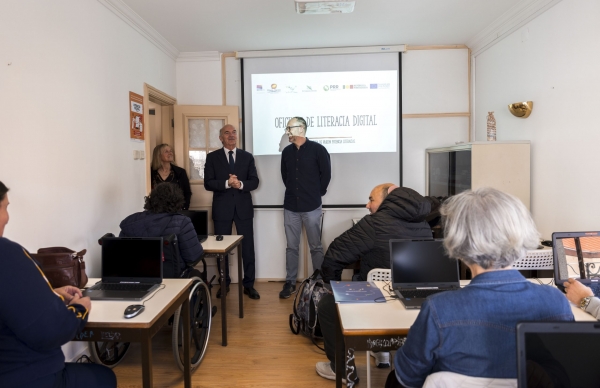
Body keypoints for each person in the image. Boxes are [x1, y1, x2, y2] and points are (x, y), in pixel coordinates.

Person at [386, 187, 574, 388]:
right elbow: (565, 376)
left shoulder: (439, 308)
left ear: (458, 242)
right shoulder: (556, 301)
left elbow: (407, 377)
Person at [0, 181, 117, 388]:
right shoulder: (6, 255)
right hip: (26, 377)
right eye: (5, 207)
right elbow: (51, 331)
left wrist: (50, 293)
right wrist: (80, 309)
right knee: (104, 378)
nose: (7, 218)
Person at [315, 185, 435, 381]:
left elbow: (334, 256)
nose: (367, 204)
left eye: (372, 199)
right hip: (413, 303)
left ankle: (343, 370)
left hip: (376, 301)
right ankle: (382, 350)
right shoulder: (423, 224)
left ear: (388, 201)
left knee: (328, 306)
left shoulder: (374, 223)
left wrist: (332, 287)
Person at [204, 124, 260, 299]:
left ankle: (249, 285)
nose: (231, 135)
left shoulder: (247, 157)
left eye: (234, 132)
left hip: (243, 209)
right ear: (221, 138)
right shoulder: (212, 158)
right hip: (222, 210)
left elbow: (254, 182)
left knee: (248, 249)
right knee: (222, 249)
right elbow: (208, 183)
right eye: (227, 133)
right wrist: (227, 183)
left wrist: (240, 184)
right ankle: (224, 283)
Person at [280, 117, 331, 299]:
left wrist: (316, 194)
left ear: (301, 129)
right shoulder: (286, 152)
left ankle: (320, 280)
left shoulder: (318, 150)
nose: (287, 131)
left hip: (312, 206)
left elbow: (326, 175)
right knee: (291, 247)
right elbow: (285, 177)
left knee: (316, 246)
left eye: (290, 128)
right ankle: (290, 282)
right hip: (291, 205)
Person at [119, 182, 203, 274]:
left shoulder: (131, 222)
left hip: (135, 277)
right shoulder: (182, 222)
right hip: (173, 279)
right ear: (177, 202)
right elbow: (193, 257)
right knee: (196, 274)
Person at [150, 143, 192, 210]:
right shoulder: (150, 173)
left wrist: (184, 208)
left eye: (171, 151)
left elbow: (187, 193)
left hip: (175, 211)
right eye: (166, 151)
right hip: (156, 211)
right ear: (158, 155)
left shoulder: (180, 172)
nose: (170, 153)